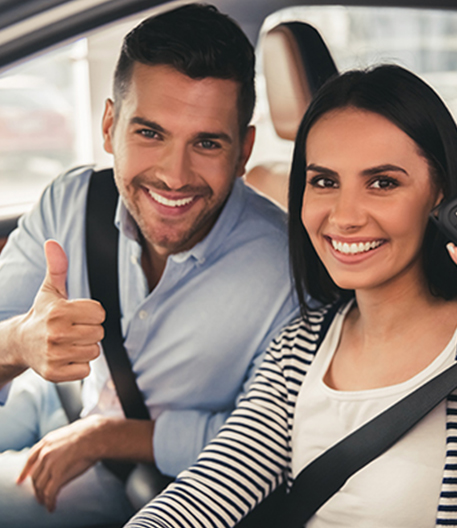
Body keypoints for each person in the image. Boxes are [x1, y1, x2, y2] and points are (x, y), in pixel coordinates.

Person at [125, 64, 457, 528]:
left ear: (439, 194)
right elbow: (207, 493)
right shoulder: (299, 346)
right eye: (324, 182)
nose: (345, 216)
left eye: (383, 183)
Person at [0, 4, 298, 527]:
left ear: (243, 150)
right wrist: (19, 343)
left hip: (135, 483)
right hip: (41, 401)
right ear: (110, 126)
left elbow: (269, 444)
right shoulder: (72, 202)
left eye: (206, 143)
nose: (174, 176)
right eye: (151, 134)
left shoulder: (285, 274)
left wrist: (116, 436)